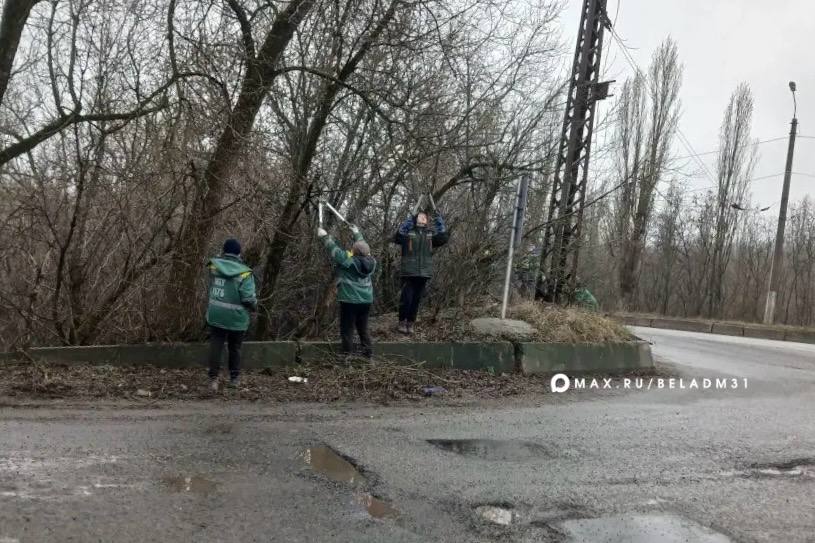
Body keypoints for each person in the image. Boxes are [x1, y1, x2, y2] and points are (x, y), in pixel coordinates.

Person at [205, 238, 257, 391]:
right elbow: (248, 299)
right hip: (236, 318)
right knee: (235, 348)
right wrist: (254, 306)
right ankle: (234, 379)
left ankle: (213, 380)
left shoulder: (214, 267)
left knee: (216, 347)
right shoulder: (245, 273)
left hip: (216, 315)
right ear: (239, 253)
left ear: (223, 251)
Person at [317, 225, 376, 358]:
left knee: (347, 329)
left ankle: (346, 355)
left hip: (350, 301)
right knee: (363, 328)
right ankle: (368, 354)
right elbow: (363, 247)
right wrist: (356, 233)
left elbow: (335, 251)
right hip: (366, 301)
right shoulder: (371, 261)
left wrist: (324, 236)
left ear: (354, 253)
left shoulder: (348, 262)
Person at [392, 209, 449, 334]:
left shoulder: (429, 234)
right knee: (406, 299)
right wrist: (408, 220)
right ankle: (402, 322)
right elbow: (397, 236)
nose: (423, 217)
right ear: (415, 219)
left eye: (425, 217)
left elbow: (443, 237)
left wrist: (439, 219)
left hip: (424, 273)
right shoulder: (409, 232)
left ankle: (410, 323)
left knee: (416, 300)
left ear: (427, 220)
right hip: (409, 272)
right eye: (420, 216)